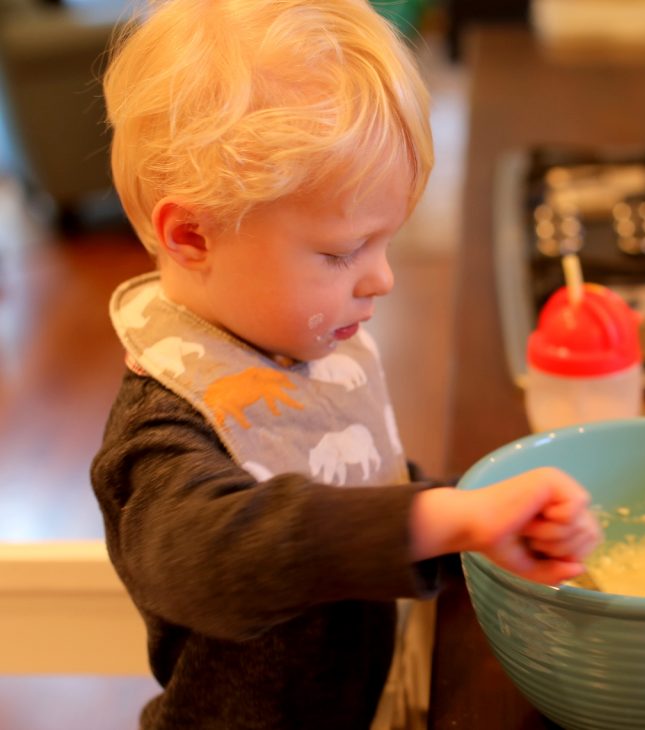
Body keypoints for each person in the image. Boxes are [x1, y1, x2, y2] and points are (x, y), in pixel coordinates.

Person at [89, 1, 601, 728]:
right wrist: (443, 515)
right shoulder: (165, 426)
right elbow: (214, 560)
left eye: (384, 243)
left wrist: (476, 518)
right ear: (192, 235)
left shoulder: (295, 343)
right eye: (339, 252)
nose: (380, 278)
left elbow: (356, 486)